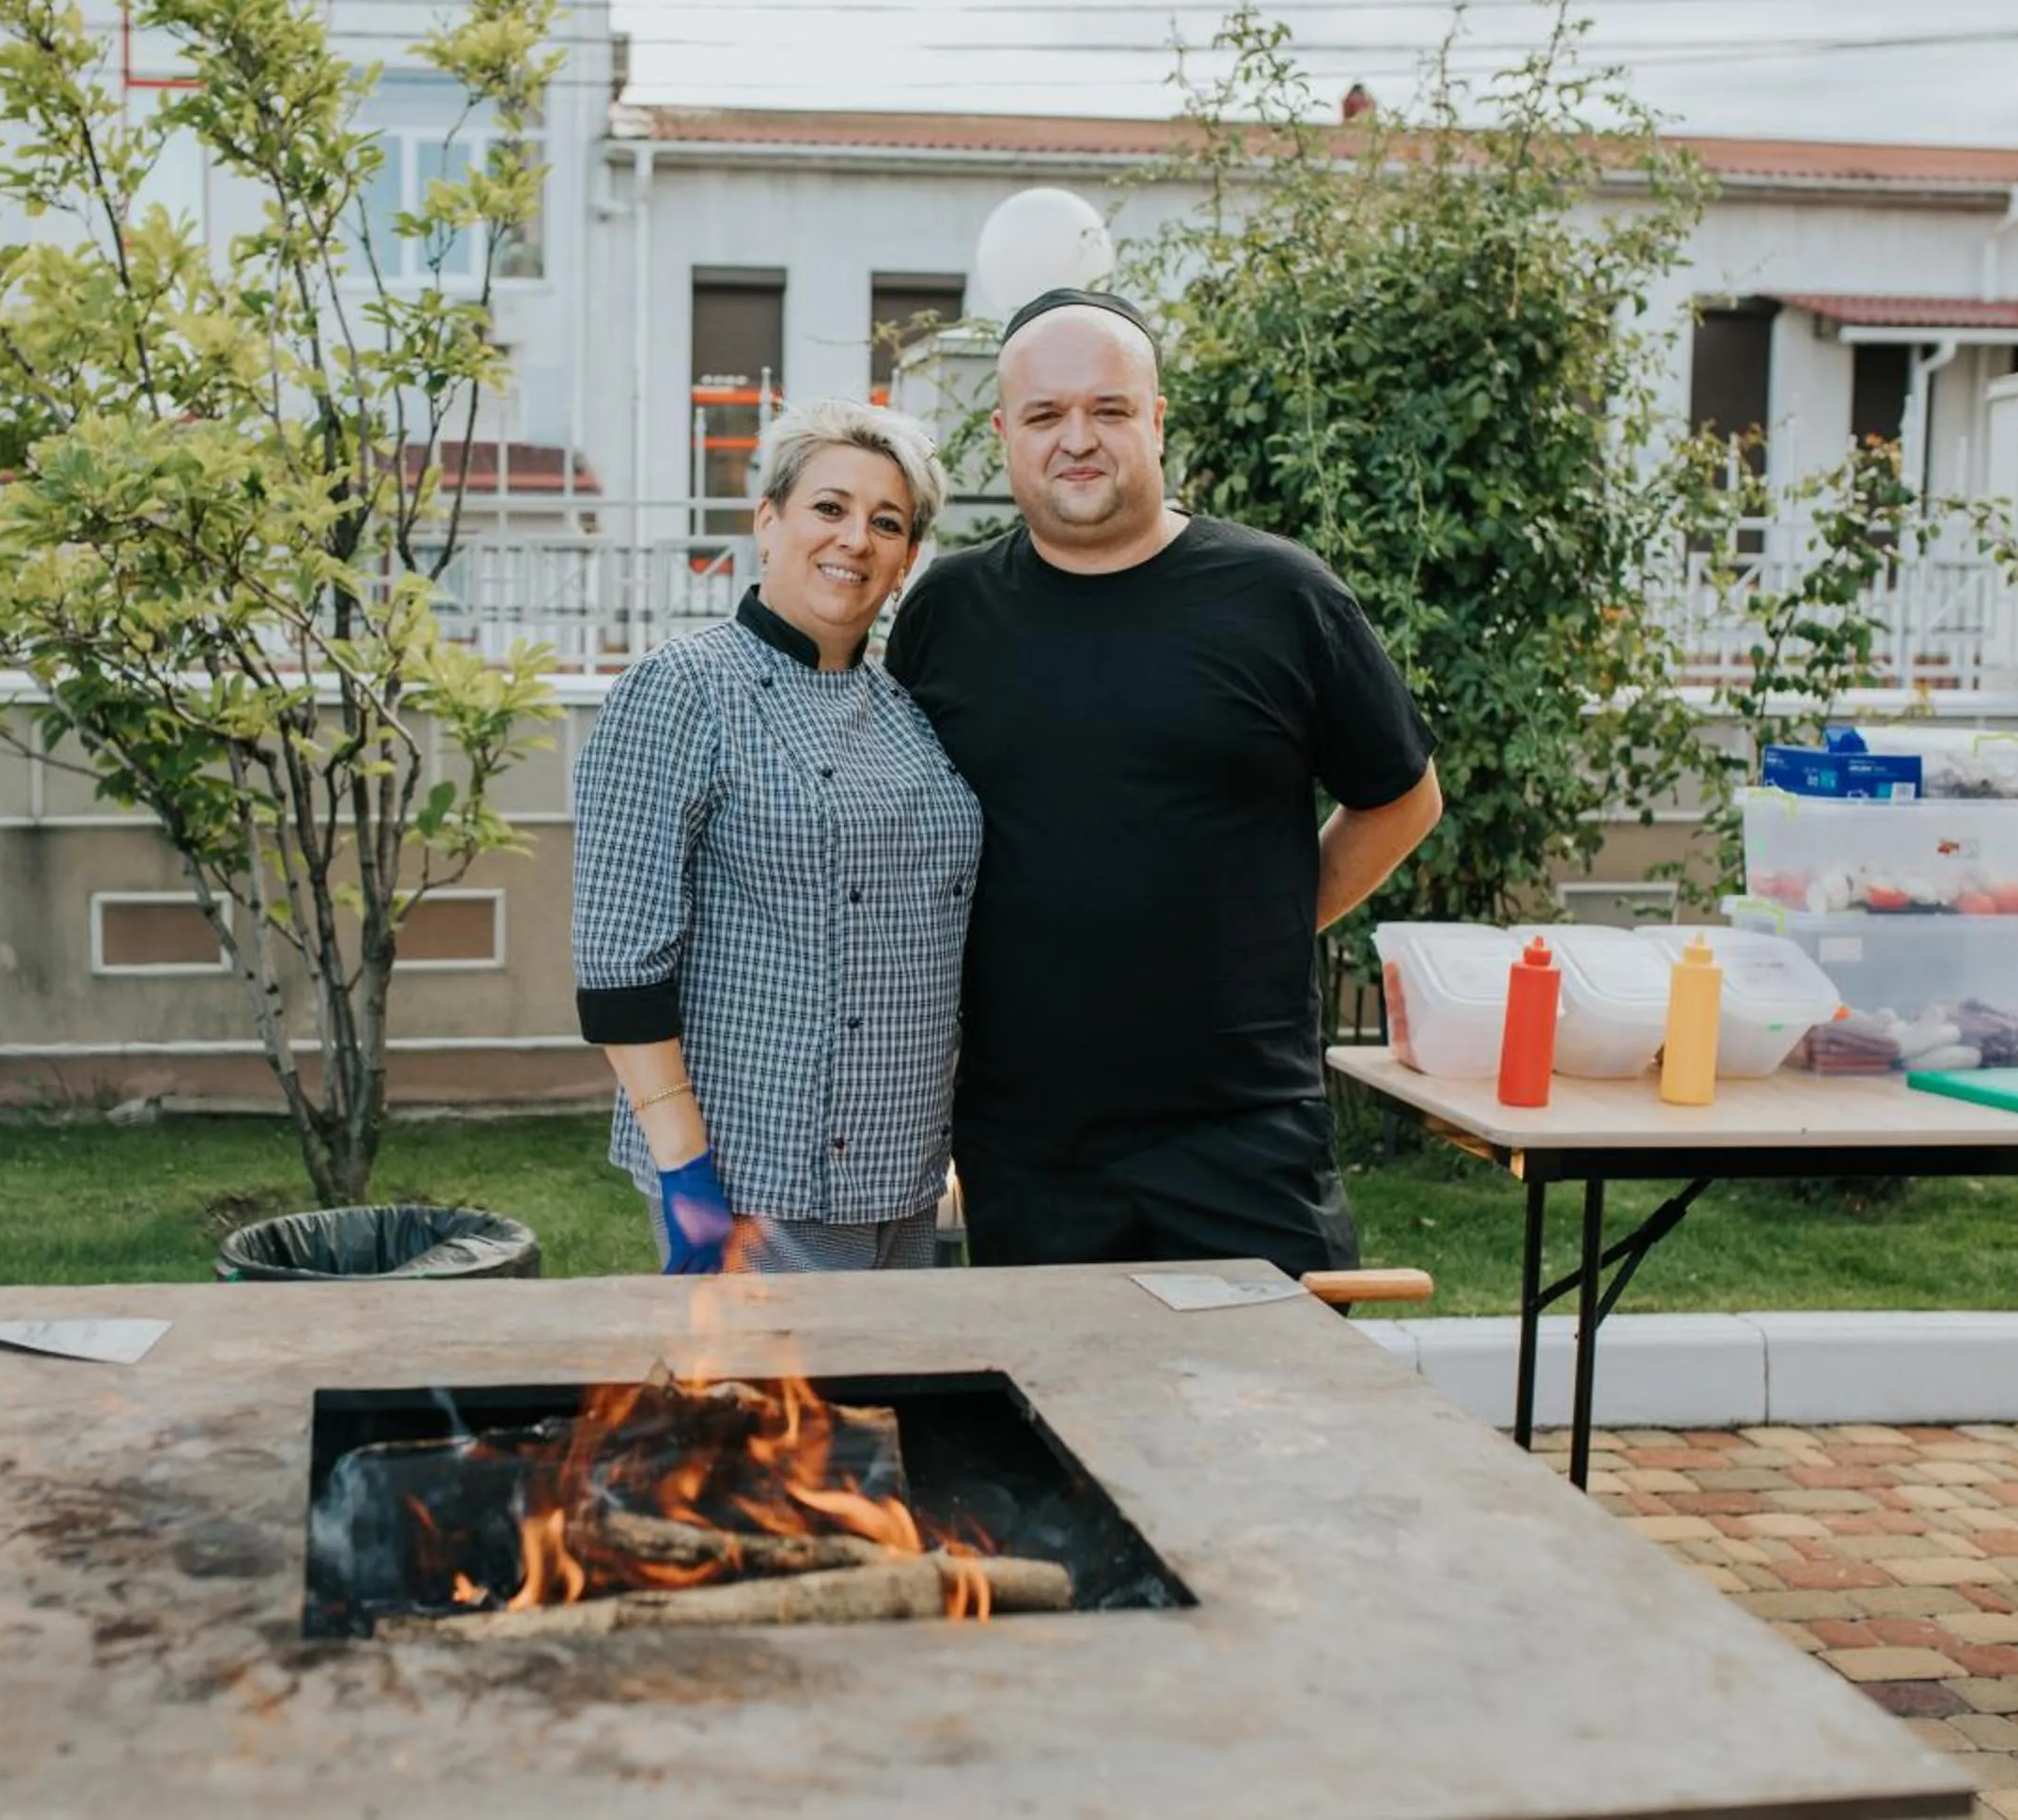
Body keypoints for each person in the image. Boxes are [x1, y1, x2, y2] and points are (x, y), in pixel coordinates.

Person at [884, 289, 1443, 1278]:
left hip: (1244, 1126)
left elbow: (1402, 798)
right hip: (1030, 1140)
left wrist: (1274, 918)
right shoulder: (948, 614)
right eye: (1046, 415)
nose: (1077, 439)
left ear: (1156, 420)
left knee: (1273, 1377)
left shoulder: (1282, 596)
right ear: (1005, 433)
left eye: (1109, 409)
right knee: (1047, 1379)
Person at [572, 398, 980, 1276]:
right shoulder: (681, 690)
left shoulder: (907, 711)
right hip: (751, 1183)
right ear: (767, 523)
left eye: (887, 523)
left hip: (904, 1176)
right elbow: (617, 967)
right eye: (829, 507)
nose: (855, 540)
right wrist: (685, 1174)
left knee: (892, 1374)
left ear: (907, 561)